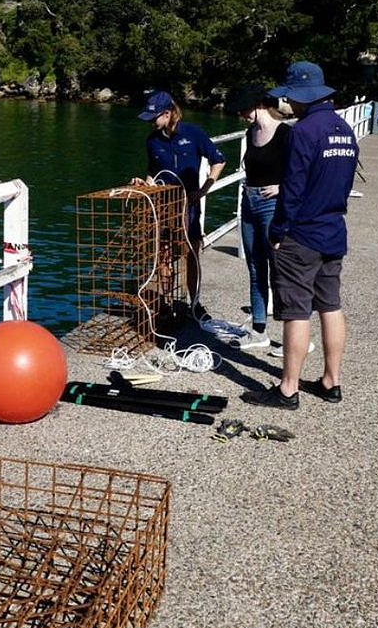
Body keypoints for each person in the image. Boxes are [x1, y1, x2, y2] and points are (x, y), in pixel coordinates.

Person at [243, 61, 359, 410]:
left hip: (301, 234)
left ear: (300, 97)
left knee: (296, 310)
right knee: (331, 305)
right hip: (333, 229)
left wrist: (278, 232)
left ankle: (288, 389)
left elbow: (291, 190)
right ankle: (331, 381)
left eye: (289, 97)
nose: (286, 103)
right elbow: (346, 181)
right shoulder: (344, 129)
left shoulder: (304, 132)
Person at [133, 90, 226, 322]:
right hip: (163, 205)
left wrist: (203, 190)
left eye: (154, 118)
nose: (151, 123)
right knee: (163, 254)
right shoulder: (152, 140)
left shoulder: (193, 133)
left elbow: (219, 160)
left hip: (189, 204)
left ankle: (194, 302)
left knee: (191, 254)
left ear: (168, 113)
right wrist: (144, 184)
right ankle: (166, 303)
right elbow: (153, 173)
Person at [224, 83, 289, 352]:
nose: (242, 115)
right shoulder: (251, 133)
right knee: (254, 266)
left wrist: (282, 187)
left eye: (244, 110)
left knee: (279, 269)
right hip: (249, 201)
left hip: (271, 205)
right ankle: (259, 330)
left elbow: (301, 171)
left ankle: (292, 336)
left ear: (258, 105)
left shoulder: (286, 133)